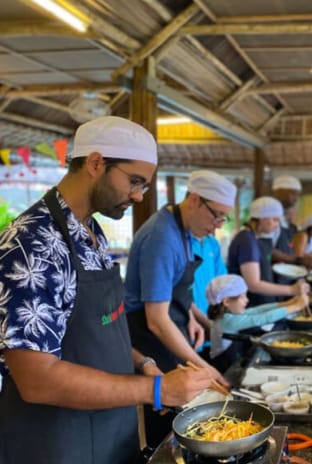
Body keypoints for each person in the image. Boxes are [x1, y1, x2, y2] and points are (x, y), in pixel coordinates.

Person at [0, 116, 211, 464]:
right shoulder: (31, 244)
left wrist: (143, 363)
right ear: (96, 163)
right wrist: (157, 390)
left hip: (111, 433)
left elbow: (96, 333)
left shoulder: (91, 233)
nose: (139, 195)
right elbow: (36, 379)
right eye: (134, 181)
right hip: (54, 444)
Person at [125, 169, 234, 447]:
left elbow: (174, 289)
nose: (218, 225)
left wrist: (191, 315)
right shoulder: (162, 237)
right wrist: (204, 367)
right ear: (195, 200)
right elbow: (156, 319)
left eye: (224, 217)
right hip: (149, 337)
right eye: (216, 215)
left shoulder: (185, 231)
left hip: (173, 325)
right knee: (169, 423)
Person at [206, 274, 308, 372]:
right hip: (224, 368)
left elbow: (256, 311)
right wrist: (296, 307)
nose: (247, 300)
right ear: (227, 301)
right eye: (242, 297)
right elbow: (262, 318)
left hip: (232, 361)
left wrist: (285, 304)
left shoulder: (227, 314)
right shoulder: (227, 321)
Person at [227, 196, 309, 307]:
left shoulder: (255, 238)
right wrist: (292, 290)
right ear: (262, 218)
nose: (277, 224)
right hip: (250, 305)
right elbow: (253, 285)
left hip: (261, 302)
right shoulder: (247, 240)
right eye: (274, 220)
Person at [270, 175, 312, 273]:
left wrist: (304, 260)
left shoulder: (284, 219)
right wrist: (297, 260)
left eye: (297, 195)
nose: (296, 199)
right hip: (272, 276)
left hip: (285, 274)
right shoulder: (269, 216)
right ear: (279, 192)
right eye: (293, 194)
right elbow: (266, 249)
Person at [191, 233, 227, 359]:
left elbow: (221, 280)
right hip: (190, 321)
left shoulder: (212, 243)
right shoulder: (181, 242)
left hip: (211, 318)